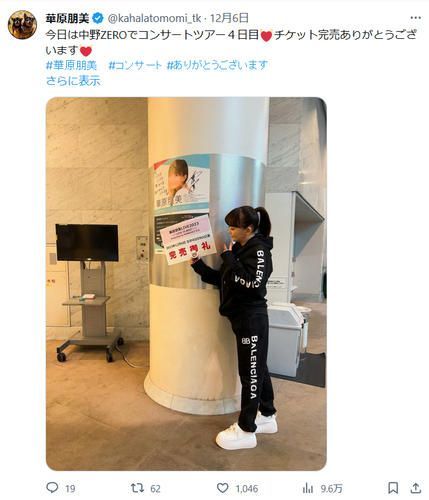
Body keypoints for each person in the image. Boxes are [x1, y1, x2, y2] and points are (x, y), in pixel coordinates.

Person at [190, 205, 277, 450]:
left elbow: (254, 284)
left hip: (252, 319)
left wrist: (229, 258)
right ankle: (267, 414)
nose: (229, 230)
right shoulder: (240, 249)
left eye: (233, 227)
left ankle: (246, 430)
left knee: (250, 373)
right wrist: (198, 265)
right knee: (258, 367)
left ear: (248, 229)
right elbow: (225, 280)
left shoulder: (259, 250)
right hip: (241, 319)